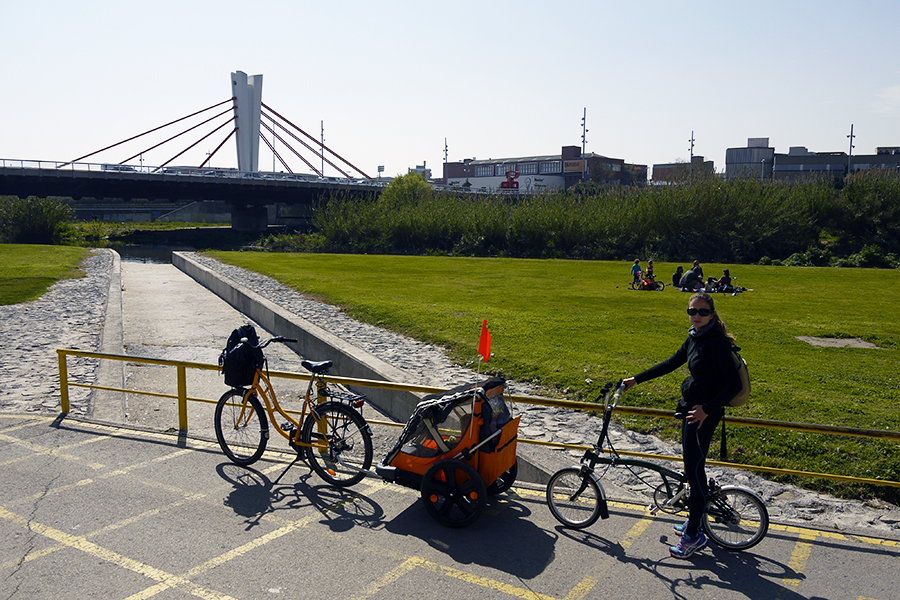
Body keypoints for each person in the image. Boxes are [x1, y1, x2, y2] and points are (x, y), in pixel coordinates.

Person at [622, 292, 742, 559]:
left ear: (712, 314)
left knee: (695, 474)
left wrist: (707, 410)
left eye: (701, 312)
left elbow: (733, 385)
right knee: (692, 470)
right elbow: (671, 363)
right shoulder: (695, 336)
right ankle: (695, 519)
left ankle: (693, 537)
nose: (696, 316)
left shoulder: (716, 343)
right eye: (691, 311)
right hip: (692, 411)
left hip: (703, 415)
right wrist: (635, 379)